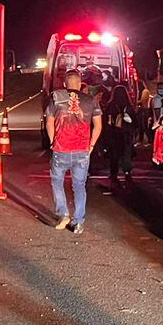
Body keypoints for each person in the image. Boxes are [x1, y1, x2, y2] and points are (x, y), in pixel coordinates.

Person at [45, 69, 102, 233]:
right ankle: (78, 222)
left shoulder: (56, 97)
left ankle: (63, 213)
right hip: (82, 150)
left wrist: (52, 141)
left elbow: (49, 123)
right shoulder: (91, 100)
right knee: (79, 186)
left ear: (64, 84)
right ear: (80, 83)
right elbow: (98, 125)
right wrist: (91, 145)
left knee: (57, 182)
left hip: (61, 148)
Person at [101, 80, 137, 188]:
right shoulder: (129, 107)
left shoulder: (110, 106)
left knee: (114, 155)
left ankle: (113, 174)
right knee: (126, 154)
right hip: (126, 135)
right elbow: (135, 123)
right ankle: (127, 173)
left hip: (113, 134)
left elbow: (105, 123)